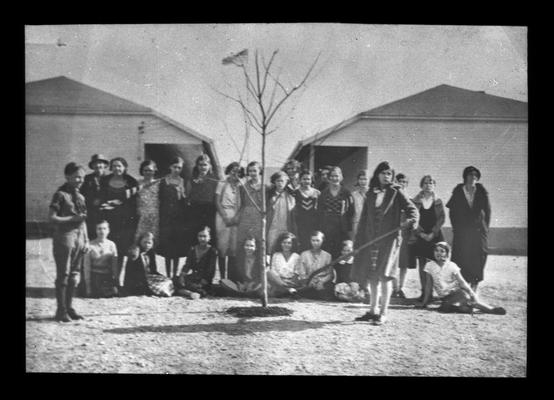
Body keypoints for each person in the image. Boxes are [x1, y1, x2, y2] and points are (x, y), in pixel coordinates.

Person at [351, 161, 418, 325]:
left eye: (389, 174)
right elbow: (364, 220)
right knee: (372, 276)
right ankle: (372, 311)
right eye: (383, 173)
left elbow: (413, 210)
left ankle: (383, 313)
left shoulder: (397, 192)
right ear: (377, 175)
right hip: (371, 240)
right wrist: (358, 242)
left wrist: (410, 221)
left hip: (390, 241)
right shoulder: (371, 194)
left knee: (385, 276)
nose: (386, 176)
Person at [49, 162, 89, 322]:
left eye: (82, 177)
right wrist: (72, 219)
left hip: (79, 235)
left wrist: (85, 240)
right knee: (63, 274)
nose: (80, 180)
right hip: (64, 236)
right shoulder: (60, 194)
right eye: (77, 177)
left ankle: (69, 307)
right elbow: (51, 218)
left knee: (74, 274)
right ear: (67, 176)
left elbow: (84, 219)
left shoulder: (80, 196)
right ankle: (61, 310)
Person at [420, 242, 506, 315]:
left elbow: (462, 282)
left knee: (467, 299)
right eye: (436, 250)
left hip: (457, 292)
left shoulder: (452, 266)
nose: (438, 253)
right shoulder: (430, 265)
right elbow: (428, 285)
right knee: (449, 309)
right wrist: (425, 302)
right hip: (445, 296)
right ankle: (462, 307)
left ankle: (491, 309)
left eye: (442, 251)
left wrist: (472, 293)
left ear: (447, 253)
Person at [446, 166, 492, 293]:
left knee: (479, 256)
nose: (473, 178)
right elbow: (452, 212)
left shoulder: (482, 192)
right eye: (470, 175)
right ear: (465, 177)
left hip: (478, 232)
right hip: (462, 233)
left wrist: (485, 229)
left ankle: (474, 289)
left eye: (476, 176)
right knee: (461, 258)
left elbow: (488, 212)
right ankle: (462, 290)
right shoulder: (458, 192)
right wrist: (456, 228)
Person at [99, 157, 139, 274]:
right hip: (109, 221)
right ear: (111, 168)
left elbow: (134, 203)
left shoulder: (131, 181)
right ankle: (107, 279)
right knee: (107, 249)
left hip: (125, 222)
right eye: (114, 166)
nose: (117, 168)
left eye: (119, 166)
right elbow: (102, 198)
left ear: (125, 167)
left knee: (121, 251)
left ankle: (117, 280)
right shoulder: (105, 180)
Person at [410, 175, 446, 300]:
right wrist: (420, 233)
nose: (428, 185)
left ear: (434, 185)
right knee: (422, 264)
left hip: (434, 236)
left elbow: (441, 218)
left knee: (433, 265)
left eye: (431, 183)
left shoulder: (438, 201)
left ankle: (430, 293)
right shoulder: (415, 201)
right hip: (420, 235)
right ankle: (424, 291)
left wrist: (432, 233)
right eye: (425, 183)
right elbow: (413, 217)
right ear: (421, 185)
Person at [158, 156, 189, 278]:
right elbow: (159, 199)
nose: (177, 169)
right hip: (166, 217)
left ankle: (175, 274)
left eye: (179, 167)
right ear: (170, 167)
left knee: (176, 247)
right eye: (175, 167)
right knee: (167, 247)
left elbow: (185, 200)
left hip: (178, 217)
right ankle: (167, 274)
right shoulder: (163, 181)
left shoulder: (183, 181)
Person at [215, 162, 243, 281]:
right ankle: (222, 277)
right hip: (223, 215)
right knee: (222, 247)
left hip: (237, 216)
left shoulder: (241, 185)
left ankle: (231, 278)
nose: (235, 174)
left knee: (233, 247)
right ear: (229, 171)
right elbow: (217, 201)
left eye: (238, 172)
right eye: (233, 170)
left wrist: (237, 217)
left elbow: (244, 203)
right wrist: (225, 217)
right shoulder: (222, 183)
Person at [318, 166, 354, 259]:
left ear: (341, 177)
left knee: (340, 251)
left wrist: (348, 229)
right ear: (329, 178)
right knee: (328, 252)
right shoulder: (324, 193)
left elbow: (351, 211)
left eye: (337, 176)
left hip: (341, 228)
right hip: (327, 227)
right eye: (332, 176)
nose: (334, 178)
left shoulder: (346, 193)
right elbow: (320, 211)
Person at [174, 227, 218, 299]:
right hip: (194, 276)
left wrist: (202, 282)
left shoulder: (212, 251)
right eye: (200, 236)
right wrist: (182, 276)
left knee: (198, 288)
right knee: (175, 280)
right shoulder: (193, 249)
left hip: (204, 280)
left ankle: (192, 292)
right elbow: (187, 265)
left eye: (205, 236)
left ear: (209, 238)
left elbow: (211, 270)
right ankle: (190, 293)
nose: (202, 239)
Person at [187, 154, 219, 246]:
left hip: (210, 210)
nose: (203, 167)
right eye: (200, 165)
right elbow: (187, 195)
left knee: (210, 235)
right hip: (195, 210)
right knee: (195, 235)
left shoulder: (215, 179)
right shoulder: (192, 179)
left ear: (209, 166)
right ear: (197, 166)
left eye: (205, 165)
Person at [236, 161, 265, 258]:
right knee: (243, 242)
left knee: (259, 242)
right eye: (250, 171)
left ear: (259, 171)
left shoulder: (265, 187)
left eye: (254, 171)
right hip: (246, 216)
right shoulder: (243, 187)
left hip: (259, 217)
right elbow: (241, 204)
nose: (252, 173)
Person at [83, 220, 119, 298]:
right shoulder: (90, 245)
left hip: (106, 276)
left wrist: (116, 282)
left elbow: (114, 265)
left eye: (104, 228)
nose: (102, 231)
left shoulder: (112, 245)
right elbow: (86, 267)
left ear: (108, 231)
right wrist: (88, 287)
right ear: (96, 230)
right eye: (99, 229)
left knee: (113, 293)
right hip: (94, 276)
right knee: (96, 294)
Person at [392, 173, 414, 298]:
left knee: (404, 264)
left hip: (406, 234)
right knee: (394, 261)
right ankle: (394, 288)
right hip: (394, 233)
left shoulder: (410, 199)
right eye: (399, 181)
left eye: (404, 182)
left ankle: (401, 287)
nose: (402, 184)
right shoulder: (393, 199)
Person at [296, 231, 334, 300]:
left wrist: (322, 281)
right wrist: (309, 281)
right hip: (308, 283)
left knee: (326, 291)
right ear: (310, 241)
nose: (315, 243)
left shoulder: (327, 256)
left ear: (322, 241)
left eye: (318, 240)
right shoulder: (304, 254)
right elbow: (301, 272)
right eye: (313, 240)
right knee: (304, 292)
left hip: (322, 283)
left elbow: (330, 274)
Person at [267, 171, 296, 255]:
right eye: (278, 181)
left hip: (285, 227)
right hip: (272, 228)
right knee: (271, 249)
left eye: (282, 181)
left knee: (284, 250)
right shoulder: (269, 196)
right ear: (274, 182)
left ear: (286, 182)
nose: (280, 183)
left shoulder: (290, 196)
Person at [121, 232, 159, 296]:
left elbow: (153, 270)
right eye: (145, 242)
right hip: (136, 281)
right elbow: (134, 272)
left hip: (148, 278)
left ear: (153, 244)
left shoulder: (151, 253)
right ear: (140, 241)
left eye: (149, 243)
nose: (147, 245)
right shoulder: (136, 250)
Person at [81, 154, 110, 240]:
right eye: (95, 164)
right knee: (92, 235)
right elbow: (82, 194)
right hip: (91, 213)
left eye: (100, 163)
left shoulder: (110, 178)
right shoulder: (87, 179)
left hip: (107, 212)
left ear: (105, 165)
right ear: (92, 166)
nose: (98, 165)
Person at [266, 232, 301, 297]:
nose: (286, 245)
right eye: (284, 242)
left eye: (289, 243)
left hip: (291, 281)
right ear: (280, 243)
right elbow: (274, 271)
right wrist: (281, 282)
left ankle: (286, 290)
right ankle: (288, 290)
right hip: (279, 281)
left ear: (292, 244)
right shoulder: (276, 255)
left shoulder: (296, 256)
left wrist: (291, 282)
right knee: (268, 272)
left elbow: (297, 272)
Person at [293, 170, 320, 252]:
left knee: (313, 242)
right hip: (301, 222)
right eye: (304, 179)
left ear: (311, 180)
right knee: (302, 242)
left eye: (308, 179)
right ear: (300, 180)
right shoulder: (296, 192)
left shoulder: (317, 193)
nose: (306, 181)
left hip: (314, 222)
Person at [134, 160, 161, 244]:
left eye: (150, 170)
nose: (148, 172)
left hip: (154, 215)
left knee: (153, 237)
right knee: (140, 237)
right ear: (142, 171)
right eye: (145, 170)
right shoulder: (137, 183)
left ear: (154, 171)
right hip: (141, 215)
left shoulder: (159, 183)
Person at [351, 170, 369, 239]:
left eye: (365, 179)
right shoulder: (353, 195)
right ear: (358, 180)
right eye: (361, 179)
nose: (363, 182)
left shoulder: (372, 194)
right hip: (357, 223)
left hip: (370, 223)